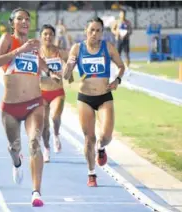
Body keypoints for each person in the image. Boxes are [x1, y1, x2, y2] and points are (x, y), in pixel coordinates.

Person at [0, 8, 60, 207]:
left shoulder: (34, 44)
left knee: (34, 143)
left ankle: (36, 192)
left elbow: (39, 62)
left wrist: (50, 72)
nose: (24, 21)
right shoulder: (7, 39)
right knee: (14, 147)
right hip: (11, 107)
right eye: (19, 18)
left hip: (34, 104)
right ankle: (17, 162)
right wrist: (19, 50)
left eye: (27, 19)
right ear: (12, 23)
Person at [63, 17, 125, 187]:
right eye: (91, 30)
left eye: (98, 30)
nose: (94, 33)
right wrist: (69, 65)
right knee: (88, 138)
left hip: (104, 95)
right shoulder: (77, 48)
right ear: (86, 31)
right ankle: (91, 173)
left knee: (105, 136)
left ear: (102, 33)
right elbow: (67, 77)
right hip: (85, 98)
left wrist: (117, 80)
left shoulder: (108, 48)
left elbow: (121, 66)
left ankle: (101, 147)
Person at [39, 24, 69, 162]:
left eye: (50, 34)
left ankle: (56, 134)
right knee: (44, 126)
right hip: (41, 93)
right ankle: (46, 148)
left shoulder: (60, 52)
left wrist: (68, 71)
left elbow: (73, 60)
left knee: (55, 116)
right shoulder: (37, 54)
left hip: (57, 91)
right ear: (41, 36)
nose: (48, 37)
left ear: (53, 36)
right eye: (45, 34)